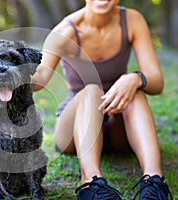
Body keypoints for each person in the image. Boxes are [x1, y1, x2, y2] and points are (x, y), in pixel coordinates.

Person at [31, 0, 172, 199]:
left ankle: (154, 182)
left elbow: (157, 82)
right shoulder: (65, 30)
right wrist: (11, 76)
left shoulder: (132, 20)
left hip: (117, 122)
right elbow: (39, 78)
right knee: (92, 90)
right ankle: (90, 183)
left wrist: (135, 78)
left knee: (136, 91)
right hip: (76, 128)